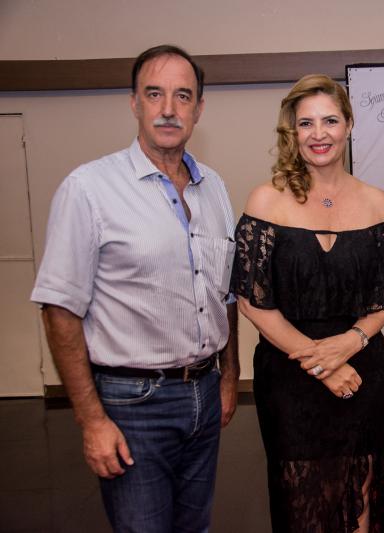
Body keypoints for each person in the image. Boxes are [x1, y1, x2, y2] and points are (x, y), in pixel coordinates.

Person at [30, 44, 239, 532]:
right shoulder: (89, 188)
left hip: (204, 394)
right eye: (154, 94)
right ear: (134, 103)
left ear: (198, 109)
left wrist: (229, 377)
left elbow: (223, 295)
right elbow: (59, 310)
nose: (168, 108)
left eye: (182, 96)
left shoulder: (214, 188)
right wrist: (91, 421)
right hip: (132, 404)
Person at [231, 74, 384, 532]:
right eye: (306, 123)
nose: (318, 133)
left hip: (361, 372)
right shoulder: (266, 201)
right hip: (290, 376)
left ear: (348, 124)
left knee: (361, 490)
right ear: (293, 132)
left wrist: (350, 343)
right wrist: (323, 364)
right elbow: (252, 302)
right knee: (302, 498)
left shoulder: (377, 203)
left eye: (329, 120)